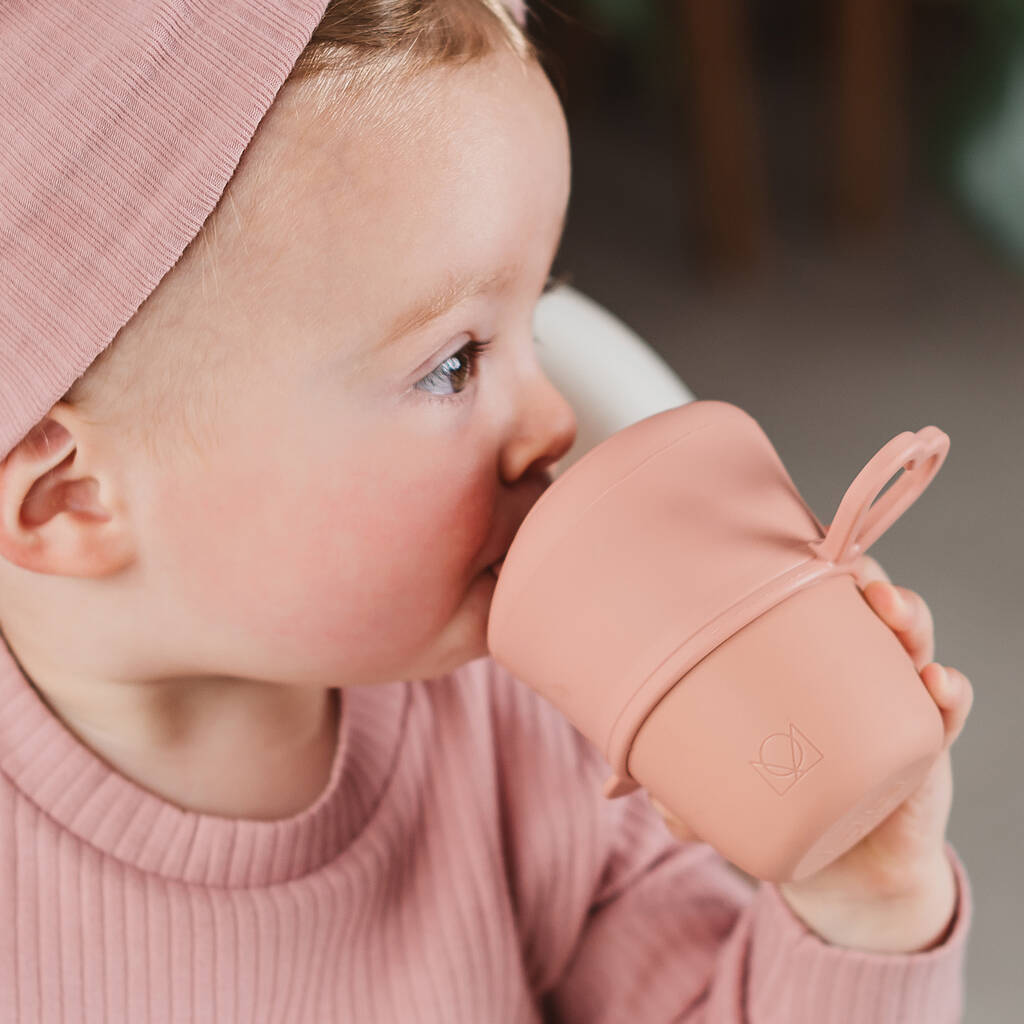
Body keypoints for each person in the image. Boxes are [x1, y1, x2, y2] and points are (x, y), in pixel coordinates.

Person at [0, 1, 973, 1020]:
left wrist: (863, 906)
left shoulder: (525, 718)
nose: (552, 420)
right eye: (453, 364)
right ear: (72, 497)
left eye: (535, 319)